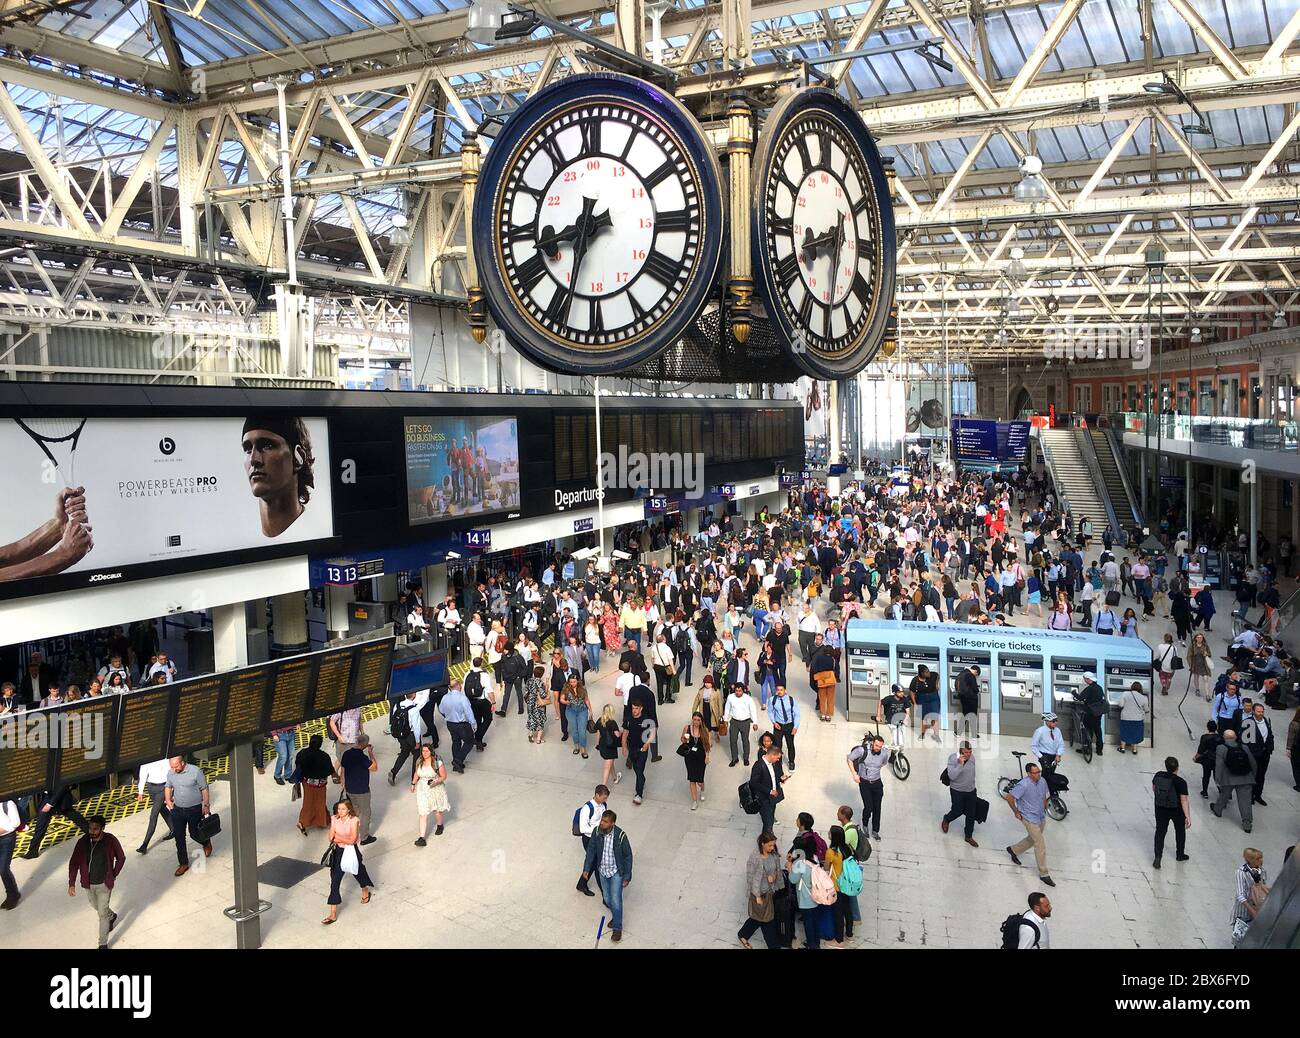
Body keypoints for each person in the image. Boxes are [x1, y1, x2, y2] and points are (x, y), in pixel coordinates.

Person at [241, 416, 315, 538]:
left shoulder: (316, 529)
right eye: (247, 449)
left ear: (298, 457)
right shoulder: (240, 535)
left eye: (267, 446)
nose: (253, 459)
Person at [66, 814, 124, 949]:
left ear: (102, 828)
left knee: (101, 913)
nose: (92, 832)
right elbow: (74, 863)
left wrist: (113, 874)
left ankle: (102, 944)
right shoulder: (82, 842)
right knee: (96, 906)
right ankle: (112, 915)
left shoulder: (110, 840)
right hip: (88, 883)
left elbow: (121, 858)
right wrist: (71, 883)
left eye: (95, 829)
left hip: (104, 884)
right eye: (90, 828)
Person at [580, 809, 633, 943]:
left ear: (612, 824)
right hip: (602, 870)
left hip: (616, 872)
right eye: (601, 820)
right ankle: (616, 915)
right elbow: (591, 851)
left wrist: (627, 876)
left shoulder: (620, 836)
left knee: (615, 899)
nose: (601, 823)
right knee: (607, 897)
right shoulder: (597, 832)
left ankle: (617, 928)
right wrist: (586, 869)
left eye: (605, 822)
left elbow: (628, 856)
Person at [322, 799, 373, 924]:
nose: (340, 811)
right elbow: (330, 837)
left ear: (349, 809)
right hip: (338, 852)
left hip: (351, 851)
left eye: (343, 809)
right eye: (339, 809)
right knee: (335, 880)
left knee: (358, 871)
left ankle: (364, 888)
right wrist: (340, 839)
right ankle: (333, 913)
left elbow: (352, 840)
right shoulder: (334, 818)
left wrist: (338, 838)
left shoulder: (354, 820)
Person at [1004, 761, 1055, 887]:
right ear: (1029, 774)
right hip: (1028, 818)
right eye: (1036, 772)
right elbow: (1010, 798)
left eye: (1039, 771)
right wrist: (1016, 812)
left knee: (1032, 840)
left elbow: (1044, 795)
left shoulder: (1042, 781)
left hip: (1040, 816)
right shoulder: (1023, 785)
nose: (1039, 774)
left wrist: (1043, 807)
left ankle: (1013, 850)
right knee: (1040, 845)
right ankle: (1044, 874)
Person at [163, 755, 213, 877]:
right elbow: (168, 786)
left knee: (194, 833)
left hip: (194, 809)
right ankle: (183, 863)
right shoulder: (171, 772)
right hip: (177, 810)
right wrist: (168, 800)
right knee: (179, 837)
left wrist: (206, 805)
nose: (174, 769)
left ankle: (206, 842)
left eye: (176, 766)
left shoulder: (195, 771)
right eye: (172, 767)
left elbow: (204, 789)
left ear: (182, 763)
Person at [738, 831, 784, 950]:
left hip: (770, 892)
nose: (772, 847)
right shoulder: (755, 858)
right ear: (762, 844)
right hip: (760, 894)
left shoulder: (773, 855)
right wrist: (757, 895)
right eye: (769, 845)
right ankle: (773, 946)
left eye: (773, 845)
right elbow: (751, 877)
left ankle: (743, 934)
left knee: (758, 918)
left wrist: (774, 878)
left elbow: (777, 871)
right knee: (767, 920)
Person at [22, 784, 89, 859]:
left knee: (76, 818)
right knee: (40, 826)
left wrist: (50, 804)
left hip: (60, 800)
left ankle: (92, 834)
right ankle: (32, 852)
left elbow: (62, 786)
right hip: (48, 798)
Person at [1210, 729, 1256, 832]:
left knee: (1224, 795)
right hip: (1245, 778)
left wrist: (1217, 779)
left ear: (1224, 738)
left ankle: (1218, 810)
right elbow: (1253, 763)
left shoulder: (1221, 748)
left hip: (1228, 778)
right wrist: (1253, 776)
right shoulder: (1244, 747)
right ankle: (1247, 824)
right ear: (1235, 737)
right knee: (1245, 802)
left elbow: (1219, 765)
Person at [336, 733, 378, 845]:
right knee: (365, 813)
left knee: (355, 811)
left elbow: (343, 770)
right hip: (361, 790)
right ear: (364, 744)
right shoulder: (362, 757)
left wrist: (343, 782)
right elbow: (374, 767)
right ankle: (364, 837)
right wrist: (370, 753)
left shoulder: (346, 754)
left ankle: (353, 832)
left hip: (349, 788)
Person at [846, 732, 888, 840]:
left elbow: (883, 763)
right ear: (872, 743)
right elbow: (849, 759)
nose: (878, 748)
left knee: (877, 807)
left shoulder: (884, 753)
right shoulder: (862, 750)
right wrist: (855, 774)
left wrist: (874, 771)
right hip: (864, 783)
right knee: (868, 806)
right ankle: (865, 825)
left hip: (877, 783)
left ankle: (875, 830)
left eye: (880, 746)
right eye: (876, 745)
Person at [1152, 756, 1191, 870]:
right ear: (1177, 767)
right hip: (1176, 809)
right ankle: (1180, 854)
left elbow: (1154, 789)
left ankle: (1158, 857)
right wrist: (1187, 816)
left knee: (1160, 832)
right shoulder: (1181, 782)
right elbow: (1184, 800)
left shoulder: (1158, 775)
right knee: (1180, 831)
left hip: (1160, 808)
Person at [941, 741, 979, 847]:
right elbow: (952, 776)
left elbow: (972, 773)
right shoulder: (953, 758)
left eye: (970, 752)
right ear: (961, 751)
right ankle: (947, 819)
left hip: (970, 791)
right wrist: (960, 765)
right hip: (957, 791)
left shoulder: (972, 758)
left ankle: (968, 836)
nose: (968, 754)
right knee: (957, 811)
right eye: (966, 752)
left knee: (971, 814)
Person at [410, 743, 449, 844]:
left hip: (435, 788)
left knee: (437, 809)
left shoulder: (437, 762)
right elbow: (416, 773)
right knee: (423, 812)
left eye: (426, 751)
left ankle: (439, 825)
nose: (424, 753)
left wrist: (435, 781)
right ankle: (422, 838)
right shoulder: (419, 761)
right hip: (422, 789)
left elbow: (444, 776)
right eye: (423, 751)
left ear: (431, 751)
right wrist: (413, 783)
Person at [295, 734, 334, 835]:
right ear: (320, 744)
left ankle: (303, 822)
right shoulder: (324, 756)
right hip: (320, 784)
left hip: (307, 783)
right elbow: (330, 770)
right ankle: (321, 821)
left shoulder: (302, 753)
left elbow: (297, 764)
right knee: (320, 802)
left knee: (308, 802)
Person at [134, 756, 173, 854]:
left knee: (153, 815)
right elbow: (143, 776)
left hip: (162, 788)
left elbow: (171, 773)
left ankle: (144, 845)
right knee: (161, 808)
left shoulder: (165, 759)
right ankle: (174, 829)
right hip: (151, 788)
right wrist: (140, 792)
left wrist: (171, 790)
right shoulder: (146, 760)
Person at [1231, 848, 1269, 946]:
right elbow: (1240, 895)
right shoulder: (1241, 872)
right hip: (1243, 912)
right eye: (1258, 858)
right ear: (1250, 860)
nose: (1261, 860)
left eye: (1261, 858)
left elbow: (1262, 888)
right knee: (1239, 939)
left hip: (1257, 909)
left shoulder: (1262, 871)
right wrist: (1252, 911)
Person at [1241, 703, 1275, 807]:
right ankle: (1250, 796)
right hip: (1254, 754)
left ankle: (1258, 795)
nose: (1261, 713)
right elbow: (1244, 740)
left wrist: (1270, 747)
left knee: (1261, 776)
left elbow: (1270, 735)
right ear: (1253, 711)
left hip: (1265, 754)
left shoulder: (1267, 721)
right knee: (1252, 775)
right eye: (1258, 711)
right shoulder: (1248, 722)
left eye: (1262, 711)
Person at [439, 680, 477, 773]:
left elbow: (441, 709)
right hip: (462, 724)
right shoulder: (462, 698)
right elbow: (468, 712)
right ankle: (458, 761)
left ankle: (457, 765)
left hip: (450, 724)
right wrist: (473, 723)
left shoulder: (445, 697)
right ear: (458, 686)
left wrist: (447, 716)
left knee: (456, 742)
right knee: (469, 742)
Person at [749, 743, 786, 833]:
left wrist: (780, 779)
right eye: (777, 758)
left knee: (771, 817)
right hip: (764, 798)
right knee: (768, 822)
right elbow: (753, 783)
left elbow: (773, 777)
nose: (778, 760)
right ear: (771, 755)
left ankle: (769, 834)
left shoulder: (773, 764)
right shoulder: (758, 765)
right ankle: (766, 839)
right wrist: (769, 791)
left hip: (772, 798)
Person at [723, 682, 759, 768]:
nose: (738, 692)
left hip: (745, 722)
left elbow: (753, 710)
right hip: (734, 722)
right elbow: (727, 708)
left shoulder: (748, 699)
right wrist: (725, 720)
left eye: (740, 691)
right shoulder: (730, 697)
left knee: (745, 740)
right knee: (732, 740)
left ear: (743, 690)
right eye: (736, 690)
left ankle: (746, 757)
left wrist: (755, 722)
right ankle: (734, 758)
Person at [680, 712, 711, 810]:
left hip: (701, 756)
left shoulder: (705, 730)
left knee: (700, 779)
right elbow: (682, 740)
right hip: (689, 756)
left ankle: (702, 789)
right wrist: (685, 739)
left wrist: (707, 756)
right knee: (692, 778)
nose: (696, 722)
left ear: (701, 721)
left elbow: (707, 745)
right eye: (694, 719)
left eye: (698, 720)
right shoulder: (687, 728)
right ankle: (694, 801)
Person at [464, 658, 495, 752]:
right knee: (488, 719)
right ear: (481, 664)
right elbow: (489, 690)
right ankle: (478, 739)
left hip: (471, 701)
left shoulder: (467, 674)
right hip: (482, 702)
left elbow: (464, 688)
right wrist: (493, 702)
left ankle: (479, 742)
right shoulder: (484, 675)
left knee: (477, 720)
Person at [768, 683, 800, 772]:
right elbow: (770, 712)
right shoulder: (772, 700)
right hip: (778, 725)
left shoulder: (791, 700)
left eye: (781, 690)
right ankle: (778, 761)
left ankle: (791, 762)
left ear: (785, 691)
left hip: (789, 725)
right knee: (777, 745)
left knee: (790, 744)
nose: (779, 692)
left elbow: (797, 714)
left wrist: (795, 727)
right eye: (778, 690)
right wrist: (774, 722)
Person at [560, 677, 591, 760]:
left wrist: (590, 711)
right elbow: (561, 699)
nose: (573, 683)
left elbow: (587, 700)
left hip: (582, 710)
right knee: (574, 730)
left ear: (577, 681)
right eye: (571, 682)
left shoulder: (582, 689)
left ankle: (583, 749)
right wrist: (567, 702)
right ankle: (576, 746)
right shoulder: (565, 689)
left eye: (574, 682)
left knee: (582, 730)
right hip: (571, 711)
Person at [0, 798, 22, 909]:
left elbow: (16, 823)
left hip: (7, 839)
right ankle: (11, 894)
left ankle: (13, 895)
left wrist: (1, 830)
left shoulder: (7, 803)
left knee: (3, 868)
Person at [593, 704, 622, 788]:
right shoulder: (612, 723)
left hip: (602, 745)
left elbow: (598, 732)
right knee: (607, 766)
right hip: (610, 746)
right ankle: (604, 786)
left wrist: (597, 743)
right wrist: (621, 732)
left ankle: (615, 777)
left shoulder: (600, 720)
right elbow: (617, 735)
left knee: (610, 763)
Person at [1078, 672, 1106, 756]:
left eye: (1085, 679)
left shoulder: (1090, 688)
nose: (1084, 681)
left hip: (1090, 712)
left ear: (1088, 679)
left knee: (1087, 730)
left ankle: (1087, 749)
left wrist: (1074, 693)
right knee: (1098, 730)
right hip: (1098, 713)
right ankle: (1099, 750)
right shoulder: (1099, 688)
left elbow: (1080, 697)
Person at [877, 683, 910, 752]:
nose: (901, 693)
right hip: (891, 720)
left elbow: (907, 711)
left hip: (901, 721)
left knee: (901, 740)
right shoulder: (889, 699)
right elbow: (880, 702)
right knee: (895, 739)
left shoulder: (905, 699)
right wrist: (878, 715)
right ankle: (894, 754)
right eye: (899, 692)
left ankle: (895, 754)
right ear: (894, 692)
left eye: (902, 692)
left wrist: (906, 719)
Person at [1118, 680, 1148, 754]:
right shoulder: (1144, 698)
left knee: (1124, 732)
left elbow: (1120, 705)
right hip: (1137, 719)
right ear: (1140, 689)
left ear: (1132, 687)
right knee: (1136, 733)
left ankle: (1122, 748)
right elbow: (1146, 709)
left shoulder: (1125, 694)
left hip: (1125, 717)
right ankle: (1134, 749)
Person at [1193, 720, 1221, 798]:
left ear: (1207, 727)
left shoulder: (1204, 737)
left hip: (1207, 759)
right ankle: (1221, 791)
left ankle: (1205, 792)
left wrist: (1196, 757)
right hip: (1217, 758)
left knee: (1206, 775)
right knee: (1217, 777)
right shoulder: (1219, 737)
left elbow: (1201, 749)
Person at [524, 665, 550, 743]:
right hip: (538, 704)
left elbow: (526, 691)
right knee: (540, 720)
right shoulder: (540, 683)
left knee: (531, 717)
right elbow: (543, 695)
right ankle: (538, 739)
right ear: (542, 674)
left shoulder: (529, 680)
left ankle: (530, 733)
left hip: (530, 702)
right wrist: (546, 688)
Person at [956, 664, 981, 739]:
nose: (976, 676)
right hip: (971, 698)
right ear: (975, 671)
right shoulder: (970, 675)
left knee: (965, 714)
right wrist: (977, 690)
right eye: (976, 675)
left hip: (963, 697)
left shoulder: (962, 673)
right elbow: (974, 687)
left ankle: (958, 733)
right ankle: (974, 735)